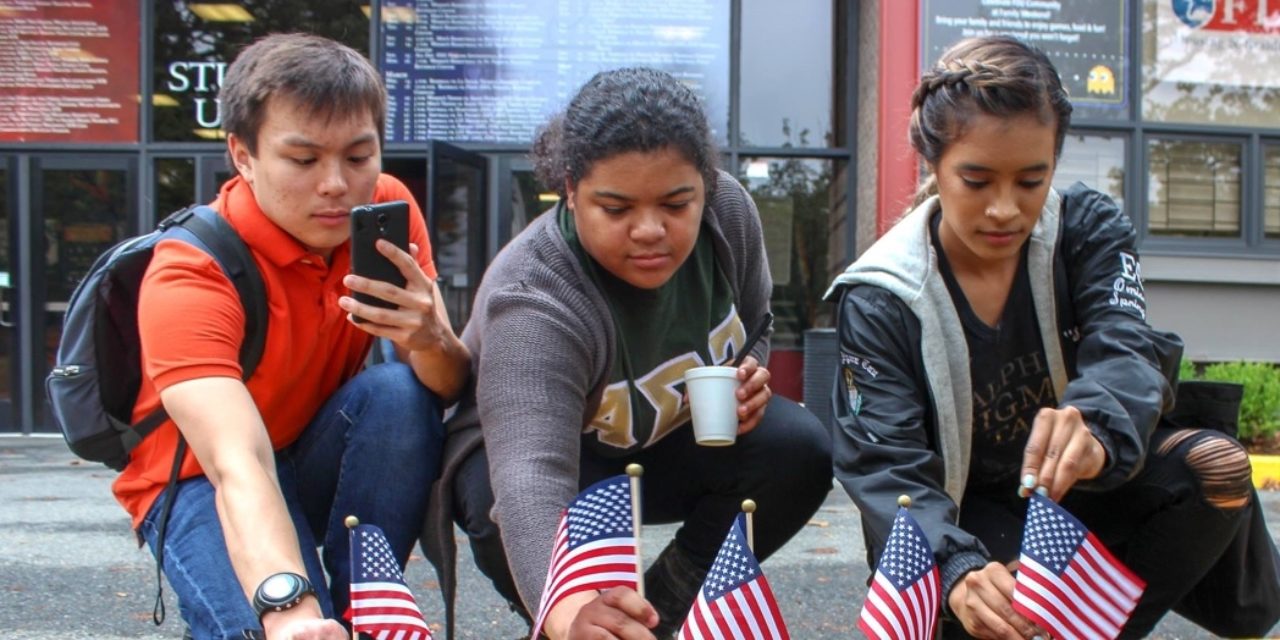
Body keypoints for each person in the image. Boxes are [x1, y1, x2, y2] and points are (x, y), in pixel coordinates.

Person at [826, 35, 1279, 639]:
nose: (1005, 210)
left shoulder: (1086, 230)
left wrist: (1095, 423)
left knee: (1216, 467)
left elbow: (1127, 346)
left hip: (1083, 492)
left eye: (1031, 181)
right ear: (932, 163)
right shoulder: (881, 295)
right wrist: (955, 564)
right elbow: (885, 464)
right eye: (977, 181)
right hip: (967, 513)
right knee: (984, 595)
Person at [422, 67, 832, 640]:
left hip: (658, 445)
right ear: (570, 189)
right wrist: (566, 608)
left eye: (675, 203)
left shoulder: (729, 215)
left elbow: (755, 322)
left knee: (797, 449)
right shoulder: (535, 295)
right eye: (615, 209)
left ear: (705, 187)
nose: (649, 230)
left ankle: (662, 612)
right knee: (556, 586)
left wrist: (748, 375)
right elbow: (529, 477)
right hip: (537, 477)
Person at [113, 33, 469, 639]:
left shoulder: (387, 210)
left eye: (358, 157)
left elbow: (446, 385)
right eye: (303, 160)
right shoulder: (191, 272)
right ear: (243, 156)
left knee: (399, 392)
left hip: (310, 448)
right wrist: (291, 609)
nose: (336, 184)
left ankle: (368, 606)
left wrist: (433, 338)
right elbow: (237, 462)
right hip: (201, 477)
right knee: (270, 628)